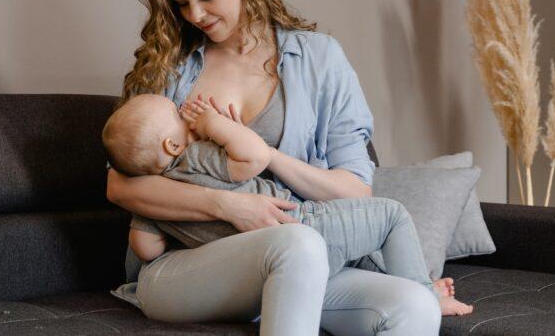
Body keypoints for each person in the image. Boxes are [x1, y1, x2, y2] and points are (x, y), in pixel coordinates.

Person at [105, 0, 445, 335]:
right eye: (182, 3)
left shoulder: (321, 60)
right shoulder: (169, 69)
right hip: (187, 267)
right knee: (297, 243)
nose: (195, 14)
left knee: (415, 305)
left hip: (300, 260)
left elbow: (356, 190)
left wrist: (269, 157)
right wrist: (229, 206)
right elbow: (120, 186)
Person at [102, 92, 473, 316]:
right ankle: (424, 292)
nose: (187, 114)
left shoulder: (153, 199)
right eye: (178, 114)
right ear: (172, 146)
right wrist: (215, 124)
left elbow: (146, 248)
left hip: (248, 261)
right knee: (391, 215)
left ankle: (405, 283)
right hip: (302, 222)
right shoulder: (196, 156)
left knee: (362, 251)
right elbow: (253, 156)